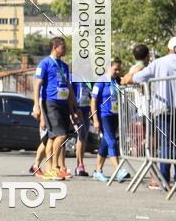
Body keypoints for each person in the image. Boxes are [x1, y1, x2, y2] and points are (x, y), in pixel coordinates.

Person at [133, 36, 176, 190]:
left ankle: (164, 180)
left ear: (168, 48)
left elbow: (138, 77)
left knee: (165, 144)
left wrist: (131, 76)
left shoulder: (159, 63)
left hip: (163, 110)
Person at [32, 37, 80, 180]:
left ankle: (49, 169)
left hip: (63, 104)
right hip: (50, 103)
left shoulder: (64, 66)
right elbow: (37, 84)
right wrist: (36, 105)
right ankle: (53, 167)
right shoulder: (45, 63)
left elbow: (69, 88)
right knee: (61, 135)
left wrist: (74, 109)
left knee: (52, 138)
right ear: (55, 47)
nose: (65, 50)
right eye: (63, 47)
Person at [91, 58, 130, 182]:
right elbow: (93, 101)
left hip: (115, 116)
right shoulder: (101, 81)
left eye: (119, 69)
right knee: (112, 142)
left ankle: (98, 171)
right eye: (115, 69)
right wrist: (95, 119)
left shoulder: (116, 81)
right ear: (109, 67)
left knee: (105, 143)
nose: (118, 71)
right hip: (104, 116)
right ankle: (118, 171)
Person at [72, 81, 93, 176]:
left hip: (86, 111)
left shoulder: (88, 80)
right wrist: (73, 111)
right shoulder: (73, 78)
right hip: (77, 110)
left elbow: (90, 94)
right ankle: (80, 165)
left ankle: (79, 165)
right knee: (81, 135)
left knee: (84, 137)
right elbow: (70, 94)